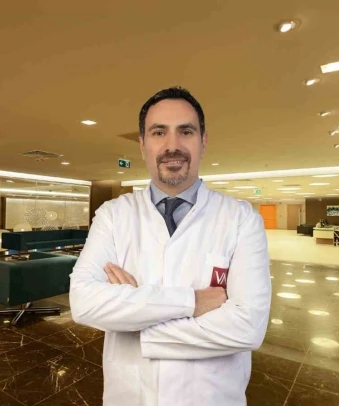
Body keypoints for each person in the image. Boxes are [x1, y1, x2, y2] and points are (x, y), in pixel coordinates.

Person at [70, 87, 271, 406]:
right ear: (142, 144)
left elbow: (248, 327)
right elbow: (84, 302)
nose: (172, 145)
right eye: (159, 132)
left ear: (203, 141)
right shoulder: (113, 215)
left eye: (186, 131)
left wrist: (136, 318)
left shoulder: (241, 219)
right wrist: (193, 301)